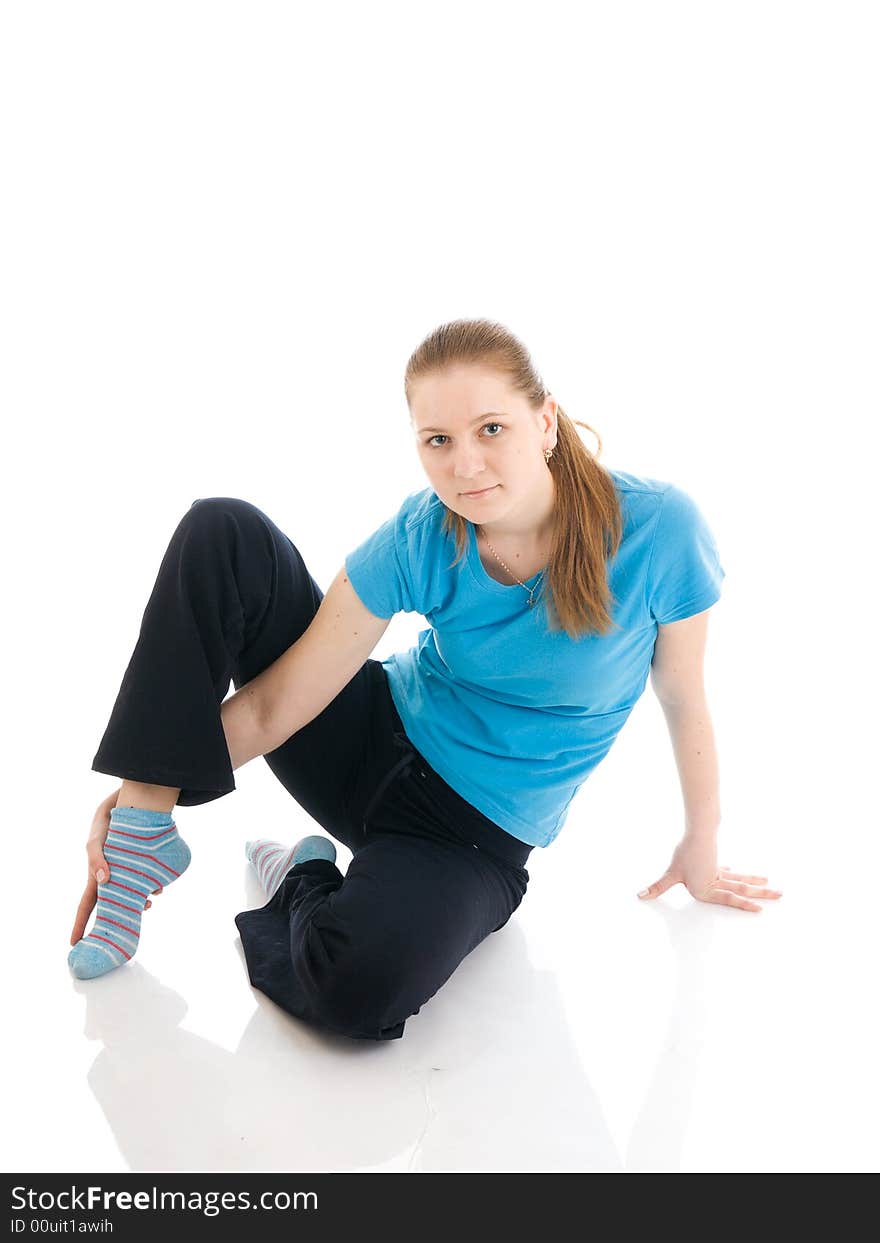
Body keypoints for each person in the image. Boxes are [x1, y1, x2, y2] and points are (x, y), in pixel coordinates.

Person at [68, 317, 781, 1041]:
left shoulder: (659, 530)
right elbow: (278, 705)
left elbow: (685, 696)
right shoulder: (421, 533)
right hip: (362, 740)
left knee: (357, 991)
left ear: (546, 422)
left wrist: (702, 840)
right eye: (438, 440)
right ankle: (140, 844)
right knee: (222, 529)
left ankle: (303, 873)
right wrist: (144, 791)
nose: (465, 465)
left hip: (470, 840)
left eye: (491, 428)